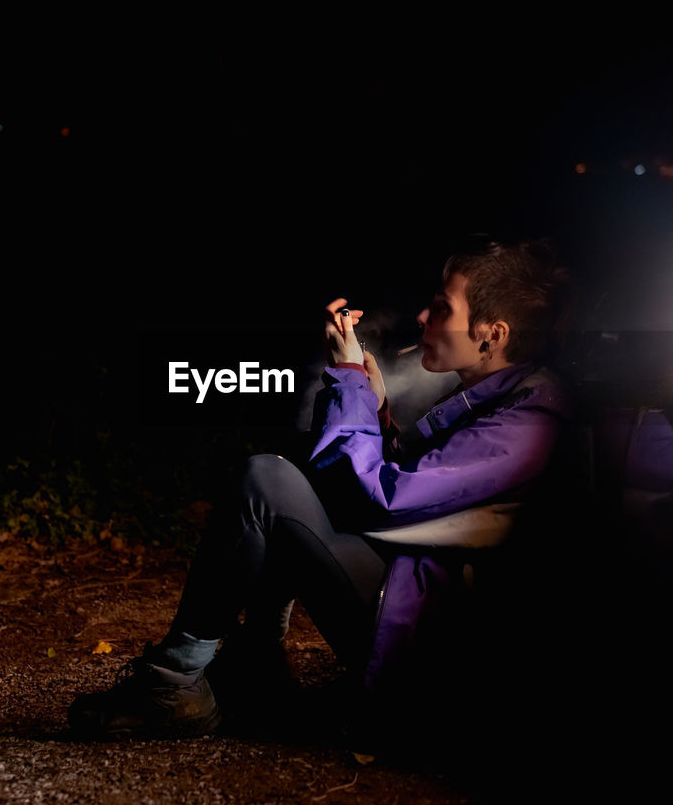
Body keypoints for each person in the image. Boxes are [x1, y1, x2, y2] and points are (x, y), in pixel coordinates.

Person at [66, 236, 574, 749]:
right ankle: (256, 669)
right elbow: (409, 484)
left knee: (266, 480)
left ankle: (174, 684)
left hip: (423, 635)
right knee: (290, 481)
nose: (423, 316)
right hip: (412, 590)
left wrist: (351, 380)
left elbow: (378, 496)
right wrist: (373, 407)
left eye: (443, 307)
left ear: (493, 334)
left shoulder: (528, 420)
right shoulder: (503, 396)